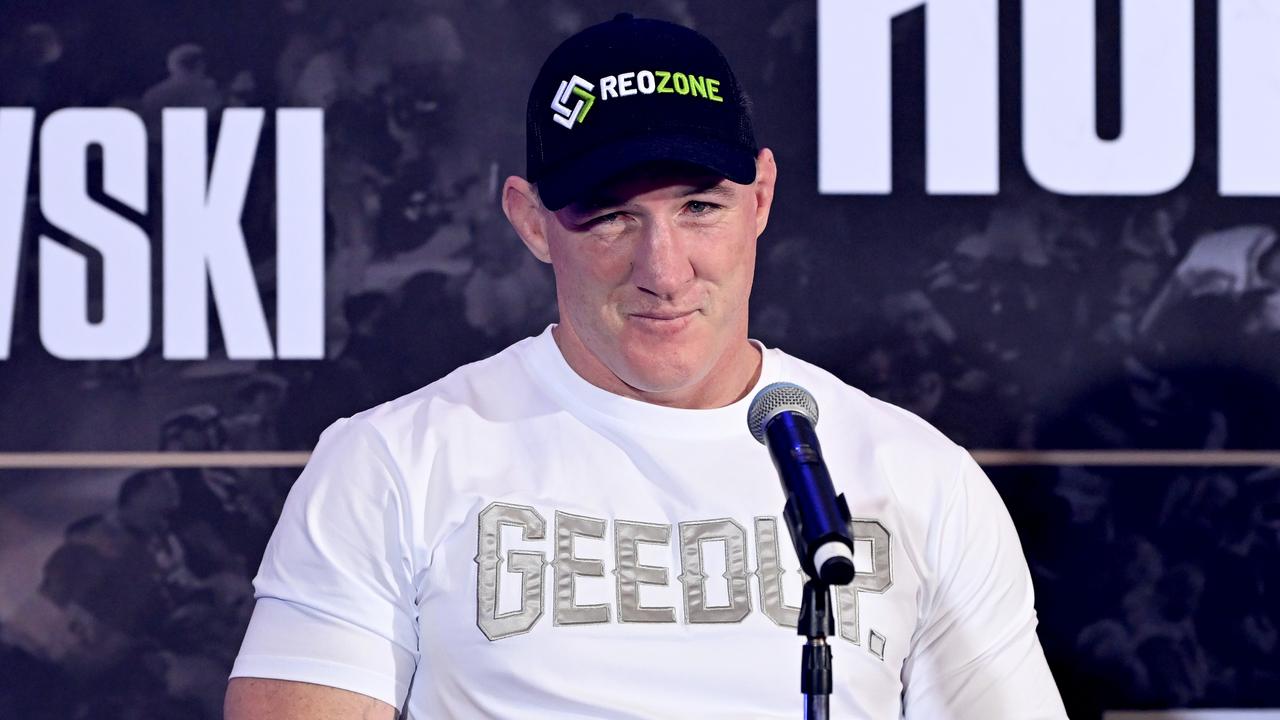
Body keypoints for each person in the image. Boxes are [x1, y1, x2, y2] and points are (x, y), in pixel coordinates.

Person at [225, 14, 1068, 719]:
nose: (664, 270)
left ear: (762, 199)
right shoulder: (393, 463)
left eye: (700, 208)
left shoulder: (920, 478)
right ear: (529, 221)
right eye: (610, 219)